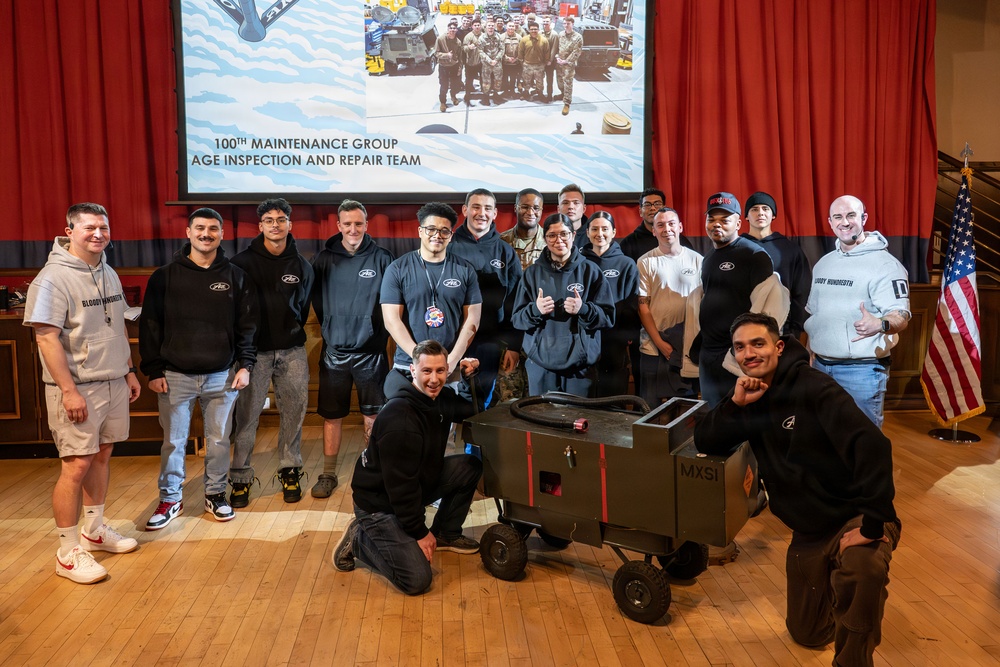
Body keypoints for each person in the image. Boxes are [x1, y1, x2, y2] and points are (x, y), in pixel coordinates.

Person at [695, 312, 900, 667]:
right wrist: (734, 404)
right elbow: (706, 440)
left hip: (854, 515)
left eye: (757, 344)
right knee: (806, 633)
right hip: (809, 530)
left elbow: (874, 447)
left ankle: (853, 657)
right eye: (740, 348)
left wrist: (871, 525)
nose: (749, 354)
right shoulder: (752, 394)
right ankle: (839, 594)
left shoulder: (814, 388)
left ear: (777, 346)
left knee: (862, 569)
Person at [23, 203, 141, 584]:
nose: (98, 233)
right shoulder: (52, 278)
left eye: (103, 227)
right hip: (78, 388)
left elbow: (118, 322)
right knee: (76, 464)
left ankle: (94, 530)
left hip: (113, 380)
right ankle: (67, 551)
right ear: (69, 230)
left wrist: (128, 370)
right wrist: (69, 391)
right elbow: (45, 337)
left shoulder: (106, 269)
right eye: (89, 227)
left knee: (102, 455)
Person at [333, 340, 483, 595]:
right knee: (417, 579)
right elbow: (400, 488)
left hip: (415, 484)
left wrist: (470, 381)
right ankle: (360, 539)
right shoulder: (399, 417)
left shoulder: (441, 398)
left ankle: (446, 533)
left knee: (469, 466)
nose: (434, 379)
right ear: (413, 371)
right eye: (426, 371)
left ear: (448, 370)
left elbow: (470, 411)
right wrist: (420, 532)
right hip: (379, 504)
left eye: (440, 371)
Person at [139, 207, 257, 529]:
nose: (207, 234)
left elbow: (247, 327)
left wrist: (245, 365)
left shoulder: (236, 276)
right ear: (188, 233)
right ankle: (170, 499)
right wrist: (154, 371)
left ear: (222, 234)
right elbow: (150, 325)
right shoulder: (164, 276)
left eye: (213, 229)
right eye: (200, 228)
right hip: (174, 376)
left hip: (222, 375)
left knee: (219, 441)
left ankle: (215, 495)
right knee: (174, 442)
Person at [228, 199, 313, 506]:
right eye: (269, 220)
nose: (275, 224)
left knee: (293, 414)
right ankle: (240, 478)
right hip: (254, 356)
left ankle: (290, 470)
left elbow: (301, 310)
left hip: (292, 351)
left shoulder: (302, 265)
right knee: (247, 417)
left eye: (281, 219)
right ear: (260, 226)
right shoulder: (240, 263)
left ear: (290, 224)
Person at [310, 200, 394, 498]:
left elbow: (392, 305)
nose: (353, 229)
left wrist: (373, 335)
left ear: (366, 224)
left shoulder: (382, 258)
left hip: (371, 352)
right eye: (348, 224)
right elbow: (317, 302)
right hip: (335, 352)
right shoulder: (323, 259)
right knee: (332, 416)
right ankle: (328, 473)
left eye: (359, 224)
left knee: (373, 415)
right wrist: (333, 327)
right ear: (339, 226)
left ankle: (373, 471)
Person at [805, 195, 910, 429]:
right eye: (838, 217)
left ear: (864, 218)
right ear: (830, 222)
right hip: (820, 367)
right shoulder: (823, 263)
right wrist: (810, 353)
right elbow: (815, 315)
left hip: (862, 372)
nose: (845, 222)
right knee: (824, 438)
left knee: (864, 443)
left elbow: (901, 315)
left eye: (851, 215)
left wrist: (880, 324)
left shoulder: (886, 265)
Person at [512, 214, 615, 396]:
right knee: (541, 422)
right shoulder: (532, 274)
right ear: (545, 238)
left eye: (564, 234)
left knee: (578, 422)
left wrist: (583, 309)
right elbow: (517, 320)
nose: (559, 240)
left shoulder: (591, 271)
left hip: (580, 369)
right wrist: (536, 310)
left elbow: (607, 318)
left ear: (573, 236)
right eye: (552, 235)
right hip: (541, 366)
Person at [691, 192, 777, 408]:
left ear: (738, 222)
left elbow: (767, 312)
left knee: (743, 420)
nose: (716, 224)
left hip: (738, 356)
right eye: (711, 219)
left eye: (724, 219)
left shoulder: (755, 256)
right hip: (709, 355)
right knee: (714, 415)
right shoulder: (709, 257)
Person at [381, 202, 482, 375]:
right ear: (420, 231)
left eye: (444, 231)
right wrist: (419, 358)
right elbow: (392, 321)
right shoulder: (397, 269)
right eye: (431, 229)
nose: (437, 235)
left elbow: (472, 320)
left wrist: (452, 359)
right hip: (409, 365)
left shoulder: (465, 270)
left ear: (451, 236)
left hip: (449, 366)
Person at [449, 188, 523, 405]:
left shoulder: (505, 252)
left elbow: (514, 302)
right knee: (449, 399)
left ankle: (473, 441)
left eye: (487, 208)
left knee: (480, 401)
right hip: (451, 339)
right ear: (465, 210)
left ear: (495, 214)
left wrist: (514, 345)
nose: (481, 213)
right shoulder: (448, 247)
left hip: (489, 341)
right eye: (476, 207)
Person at [636, 207, 703, 407]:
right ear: (654, 231)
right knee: (650, 411)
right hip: (653, 349)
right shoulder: (645, 262)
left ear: (680, 227)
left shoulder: (698, 260)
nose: (667, 229)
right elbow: (643, 307)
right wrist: (659, 342)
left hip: (688, 349)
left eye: (671, 223)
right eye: (660, 225)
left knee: (686, 409)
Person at [581, 211, 639, 397]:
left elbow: (631, 302)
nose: (600, 233)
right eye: (595, 229)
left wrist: (626, 335)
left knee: (613, 395)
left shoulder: (626, 264)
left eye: (605, 229)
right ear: (587, 232)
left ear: (614, 232)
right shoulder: (579, 262)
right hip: (585, 337)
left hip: (614, 340)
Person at [740, 192, 811, 337]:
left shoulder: (790, 250)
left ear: (773, 215)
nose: (760, 213)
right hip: (741, 329)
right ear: (746, 216)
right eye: (754, 209)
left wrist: (797, 331)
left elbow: (802, 293)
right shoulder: (735, 248)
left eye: (765, 208)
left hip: (781, 329)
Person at [499, 188, 546, 270]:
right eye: (525, 207)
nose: (530, 213)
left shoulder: (550, 241)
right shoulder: (501, 241)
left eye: (536, 208)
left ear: (541, 210)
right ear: (515, 208)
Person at [554, 15, 582, 115]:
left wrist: (565, 61)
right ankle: (562, 94)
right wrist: (557, 57)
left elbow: (576, 52)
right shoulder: (561, 34)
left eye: (568, 24)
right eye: (564, 23)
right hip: (559, 63)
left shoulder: (578, 37)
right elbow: (557, 48)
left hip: (568, 65)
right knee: (559, 81)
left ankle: (567, 103)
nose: (566, 25)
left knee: (568, 83)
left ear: (572, 24)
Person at [435, 20, 464, 112]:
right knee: (444, 85)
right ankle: (443, 102)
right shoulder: (440, 39)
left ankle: (453, 96)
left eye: (454, 28)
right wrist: (446, 55)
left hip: (454, 66)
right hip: (444, 66)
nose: (452, 30)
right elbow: (436, 53)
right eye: (450, 28)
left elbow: (460, 56)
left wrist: (460, 67)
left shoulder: (458, 42)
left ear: (456, 30)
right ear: (448, 29)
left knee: (455, 84)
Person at [517, 22, 548, 101]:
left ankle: (540, 93)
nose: (534, 31)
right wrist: (522, 62)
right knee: (526, 81)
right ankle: (526, 93)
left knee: (540, 81)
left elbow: (547, 52)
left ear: (538, 29)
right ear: (528, 30)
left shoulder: (544, 40)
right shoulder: (524, 40)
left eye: (535, 29)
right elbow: (520, 51)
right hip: (527, 65)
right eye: (532, 29)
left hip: (539, 65)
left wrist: (544, 63)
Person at [478, 18, 504, 106]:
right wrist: (489, 60)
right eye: (489, 26)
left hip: (497, 63)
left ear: (494, 27)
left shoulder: (498, 37)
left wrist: (496, 59)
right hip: (486, 64)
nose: (491, 28)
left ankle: (496, 95)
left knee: (498, 80)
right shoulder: (482, 38)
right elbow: (480, 51)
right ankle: (486, 97)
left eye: (492, 26)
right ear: (485, 27)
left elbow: (502, 49)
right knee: (486, 81)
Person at [557, 183, 589, 249]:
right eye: (565, 203)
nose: (570, 207)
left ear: (584, 209)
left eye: (576, 203)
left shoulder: (593, 234)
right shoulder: (550, 234)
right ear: (558, 209)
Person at [462, 17, 483, 106]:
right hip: (470, 63)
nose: (477, 27)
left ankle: (484, 95)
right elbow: (463, 48)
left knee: (483, 79)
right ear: (472, 26)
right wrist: (468, 48)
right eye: (475, 25)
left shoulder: (484, 36)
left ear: (481, 26)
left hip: (481, 62)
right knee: (469, 80)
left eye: (478, 25)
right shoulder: (468, 36)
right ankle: (467, 96)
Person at [501, 21, 522, 99]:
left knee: (513, 78)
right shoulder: (502, 37)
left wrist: (516, 59)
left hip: (515, 63)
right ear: (506, 27)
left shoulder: (519, 37)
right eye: (509, 26)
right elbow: (500, 50)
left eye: (512, 26)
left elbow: (521, 50)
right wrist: (507, 58)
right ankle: (506, 91)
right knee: (505, 78)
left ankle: (512, 91)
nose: (511, 28)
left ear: (515, 27)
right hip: (505, 63)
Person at [541, 16, 559, 103]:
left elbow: (554, 49)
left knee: (549, 79)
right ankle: (540, 93)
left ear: (550, 22)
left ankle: (549, 94)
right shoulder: (540, 33)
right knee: (539, 78)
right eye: (544, 22)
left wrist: (550, 60)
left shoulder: (554, 34)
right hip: (540, 61)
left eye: (547, 22)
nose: (545, 24)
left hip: (549, 62)